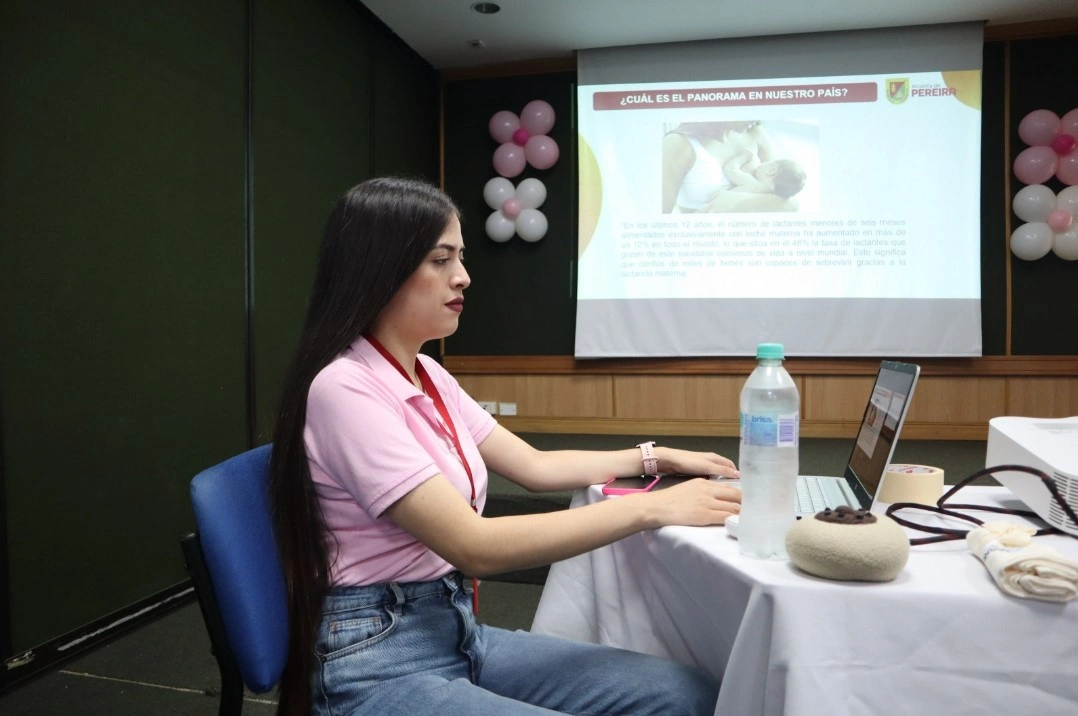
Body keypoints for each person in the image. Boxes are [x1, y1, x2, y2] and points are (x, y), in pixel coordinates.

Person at [269, 177, 742, 716]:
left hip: (454, 631)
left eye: (461, 258)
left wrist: (655, 457)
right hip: (376, 655)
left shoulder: (425, 372)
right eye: (440, 259)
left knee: (686, 695)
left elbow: (535, 466)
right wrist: (652, 508)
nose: (463, 277)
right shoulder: (345, 388)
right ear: (380, 270)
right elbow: (476, 546)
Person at [662, 121, 805, 213]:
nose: (757, 116)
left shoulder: (756, 133)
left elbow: (789, 203)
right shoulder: (678, 143)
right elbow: (659, 219)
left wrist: (734, 201)